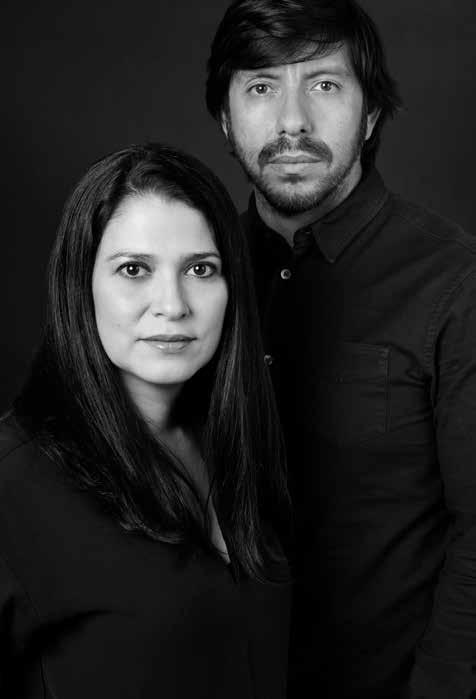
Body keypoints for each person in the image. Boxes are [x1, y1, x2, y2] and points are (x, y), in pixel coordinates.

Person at [206, 1, 476, 698]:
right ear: (226, 120)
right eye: (261, 87)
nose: (292, 121)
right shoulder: (196, 277)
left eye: (324, 84)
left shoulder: (455, 281)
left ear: (372, 114)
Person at [0, 143, 291, 698]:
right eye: (134, 269)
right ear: (80, 286)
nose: (173, 304)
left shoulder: (239, 446)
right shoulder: (12, 484)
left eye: (200, 269)